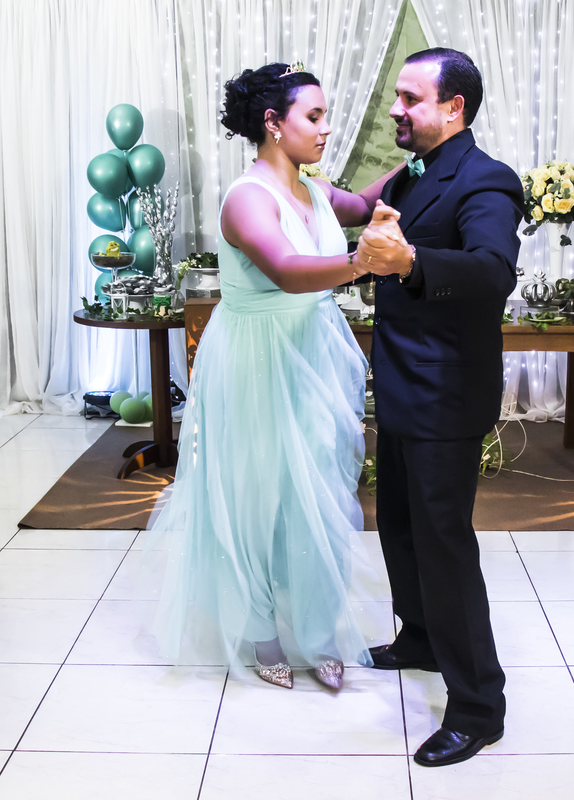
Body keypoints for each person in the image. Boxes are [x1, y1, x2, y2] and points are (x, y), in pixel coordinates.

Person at [147, 63, 399, 693]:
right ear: (273, 122)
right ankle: (261, 631)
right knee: (256, 492)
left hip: (312, 350)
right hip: (253, 357)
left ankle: (318, 631)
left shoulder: (315, 190)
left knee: (318, 490)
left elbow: (364, 204)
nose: (325, 128)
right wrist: (360, 263)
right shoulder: (246, 198)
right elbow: (286, 269)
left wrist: (421, 157)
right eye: (313, 116)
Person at [354, 47, 522, 768]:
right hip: (403, 385)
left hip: (445, 393)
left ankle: (479, 706)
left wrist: (411, 262)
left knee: (445, 545)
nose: (396, 109)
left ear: (453, 108)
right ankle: (420, 636)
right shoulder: (412, 174)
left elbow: (492, 271)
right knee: (399, 525)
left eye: (410, 98)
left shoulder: (486, 179)